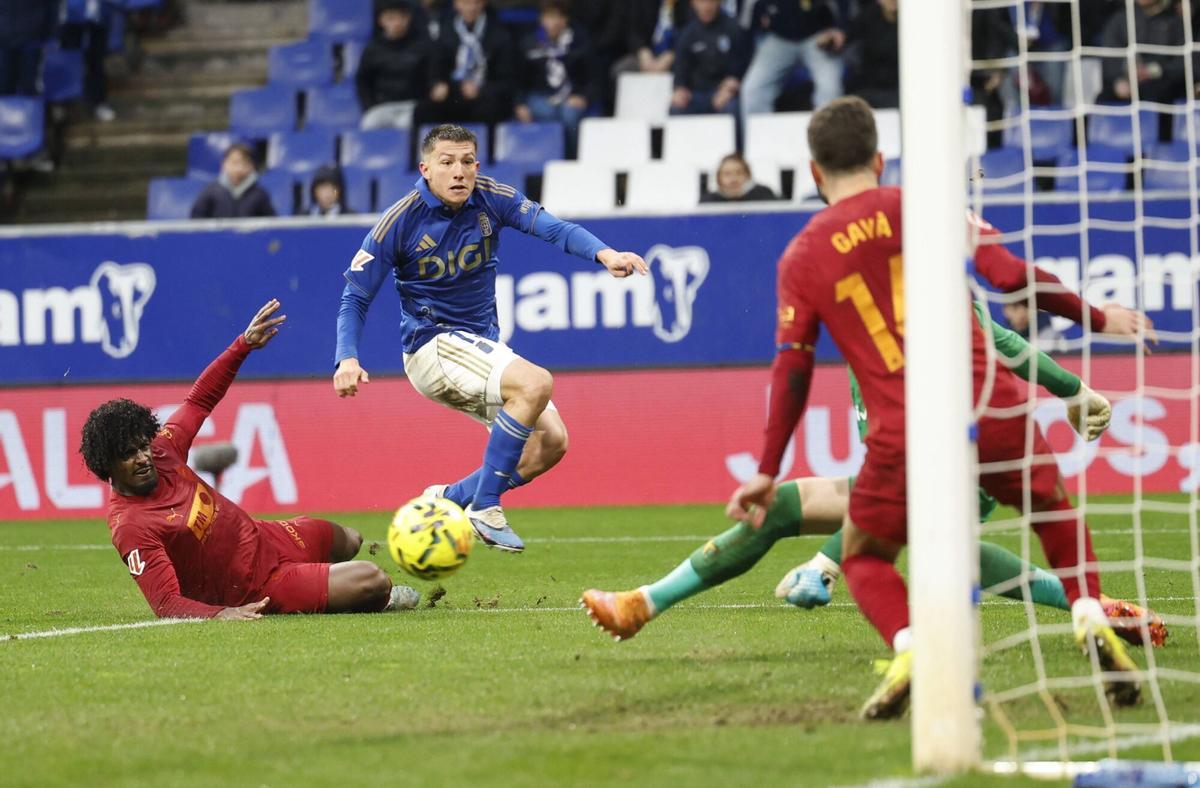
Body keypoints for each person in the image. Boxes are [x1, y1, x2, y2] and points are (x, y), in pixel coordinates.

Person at [728, 97, 1142, 719]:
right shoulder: (929, 209)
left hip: (903, 432)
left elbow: (793, 369)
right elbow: (1010, 277)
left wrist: (766, 467)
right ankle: (1087, 609)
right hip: (991, 404)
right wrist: (1097, 316)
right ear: (879, 158)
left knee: (864, 554)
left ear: (814, 173)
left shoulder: (802, 256)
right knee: (1053, 509)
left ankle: (911, 644)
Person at [581, 301, 1168, 649]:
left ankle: (1085, 605)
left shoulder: (920, 304)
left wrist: (826, 565)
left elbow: (1001, 342)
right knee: (784, 508)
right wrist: (1072, 391)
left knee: (926, 527)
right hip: (919, 464)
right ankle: (643, 604)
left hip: (972, 466)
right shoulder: (873, 331)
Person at [333, 124, 649, 552]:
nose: (459, 171)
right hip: (433, 347)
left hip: (482, 345)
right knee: (535, 382)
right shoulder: (400, 221)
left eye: (466, 161)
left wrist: (604, 253)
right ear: (425, 169)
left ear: (477, 165)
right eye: (447, 162)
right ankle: (484, 505)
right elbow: (355, 294)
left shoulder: (491, 196)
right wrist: (347, 358)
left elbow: (552, 228)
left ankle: (446, 500)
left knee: (551, 444)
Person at [81, 299, 420, 620]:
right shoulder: (131, 527)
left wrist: (242, 344)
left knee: (350, 539)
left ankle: (330, 586)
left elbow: (199, 401)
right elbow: (165, 602)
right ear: (106, 466)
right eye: (128, 455)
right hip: (257, 587)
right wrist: (220, 613)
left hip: (267, 538)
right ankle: (348, 597)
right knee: (374, 581)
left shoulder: (163, 451)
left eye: (142, 446)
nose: (143, 458)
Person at [514, 0, 595, 157]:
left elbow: (593, 78)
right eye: (548, 17)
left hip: (571, 96)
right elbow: (519, 79)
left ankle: (572, 161)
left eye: (557, 17)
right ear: (541, 20)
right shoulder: (529, 44)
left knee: (569, 114)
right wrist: (519, 104)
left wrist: (584, 97)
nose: (553, 23)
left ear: (565, 20)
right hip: (540, 97)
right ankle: (547, 160)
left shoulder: (580, 43)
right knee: (549, 111)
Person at [740, 0, 844, 117]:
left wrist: (840, 29)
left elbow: (843, 7)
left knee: (830, 87)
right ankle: (761, 135)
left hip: (819, 36)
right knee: (752, 90)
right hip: (780, 38)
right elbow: (746, 23)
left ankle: (827, 134)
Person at [421, 0, 516, 126]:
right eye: (466, 3)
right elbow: (435, 67)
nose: (471, 8)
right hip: (452, 91)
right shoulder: (445, 31)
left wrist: (481, 90)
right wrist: (437, 83)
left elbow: (507, 80)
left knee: (489, 109)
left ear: (483, 4)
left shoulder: (500, 34)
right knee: (424, 110)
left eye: (476, 3)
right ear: (456, 4)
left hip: (485, 95)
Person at [356, 0, 432, 131]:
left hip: (413, 105)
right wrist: (370, 106)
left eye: (400, 17)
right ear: (381, 20)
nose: (396, 23)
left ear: (408, 18)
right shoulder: (373, 49)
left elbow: (431, 78)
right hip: (383, 105)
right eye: (390, 18)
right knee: (369, 122)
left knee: (405, 125)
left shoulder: (423, 46)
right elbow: (363, 81)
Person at [670, 0, 750, 118]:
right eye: (702, 2)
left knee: (732, 107)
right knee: (676, 108)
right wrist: (680, 89)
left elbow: (743, 64)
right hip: (696, 94)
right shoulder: (687, 33)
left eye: (710, 1)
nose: (707, 6)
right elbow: (680, 69)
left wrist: (731, 86)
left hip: (724, 91)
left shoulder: (734, 28)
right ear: (693, 3)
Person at [1099, 0, 1186, 108]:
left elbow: (1183, 63)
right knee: (1103, 99)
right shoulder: (1120, 19)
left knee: (1154, 93)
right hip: (1124, 82)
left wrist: (1153, 70)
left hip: (1161, 86)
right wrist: (1119, 79)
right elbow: (1109, 55)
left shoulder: (1175, 23)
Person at [60, 0, 116, 122]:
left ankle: (99, 103)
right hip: (71, 17)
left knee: (96, 62)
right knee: (68, 62)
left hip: (98, 17)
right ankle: (66, 105)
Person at [190, 143, 276, 219]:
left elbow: (271, 223)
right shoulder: (209, 191)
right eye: (234, 162)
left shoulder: (260, 194)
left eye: (245, 163)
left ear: (252, 167)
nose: (239, 167)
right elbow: (196, 221)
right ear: (224, 164)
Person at [843, 0, 899, 109]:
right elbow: (847, 34)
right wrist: (837, 36)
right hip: (870, 87)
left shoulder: (912, 20)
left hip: (900, 89)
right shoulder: (869, 15)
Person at [701, 153, 778, 202]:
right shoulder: (709, 202)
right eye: (727, 174)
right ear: (719, 178)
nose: (734, 179)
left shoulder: (764, 195)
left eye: (739, 173)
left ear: (748, 175)